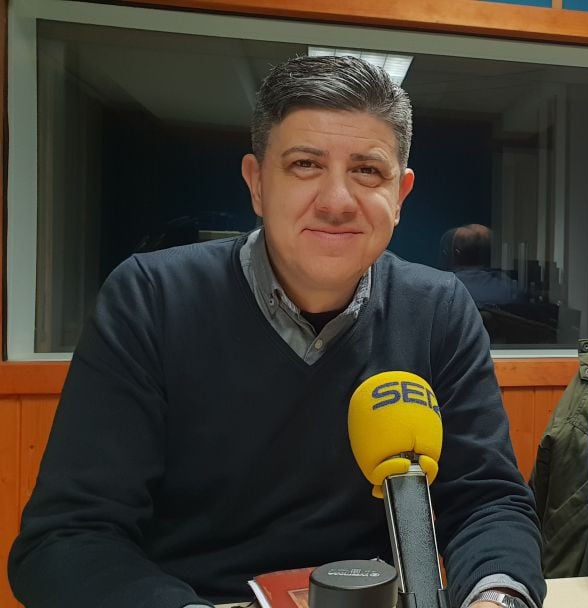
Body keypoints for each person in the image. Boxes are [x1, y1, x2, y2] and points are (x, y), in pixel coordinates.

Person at [9, 55, 543, 608]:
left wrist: (496, 598)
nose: (337, 201)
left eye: (366, 170)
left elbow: (489, 502)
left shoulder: (438, 309)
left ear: (400, 195)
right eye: (306, 165)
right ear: (257, 184)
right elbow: (66, 539)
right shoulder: (151, 298)